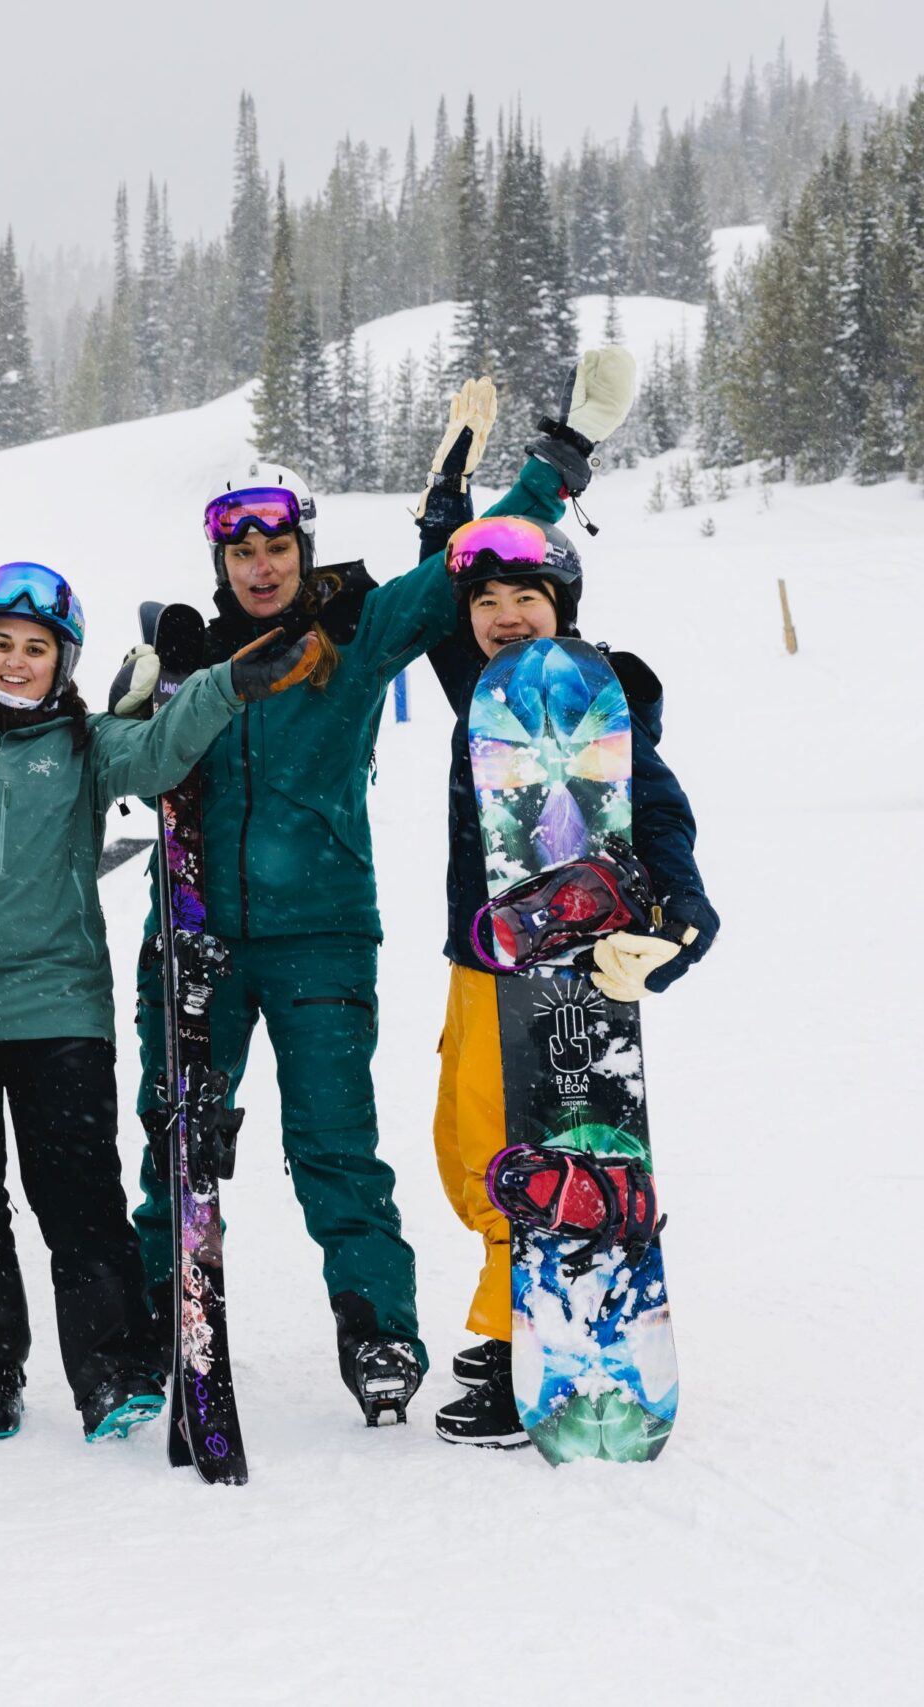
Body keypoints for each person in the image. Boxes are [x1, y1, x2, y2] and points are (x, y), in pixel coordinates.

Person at [123, 348, 641, 1424]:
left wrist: (559, 457)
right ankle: (156, 1322)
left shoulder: (348, 639)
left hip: (320, 935)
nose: (261, 567)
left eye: (277, 547)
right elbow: (119, 768)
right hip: (195, 939)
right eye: (241, 551)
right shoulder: (188, 662)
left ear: (301, 549)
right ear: (219, 560)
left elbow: (469, 566)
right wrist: (131, 709)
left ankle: (378, 1332)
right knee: (176, 1141)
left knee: (335, 1149)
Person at [0, 562, 318, 1443]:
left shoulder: (90, 743)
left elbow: (161, 751)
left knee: (80, 1201)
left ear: (64, 662)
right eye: (2, 644)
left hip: (59, 1011)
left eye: (37, 648)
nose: (17, 661)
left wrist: (223, 685)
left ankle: (113, 1372)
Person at [414, 448, 717, 1449]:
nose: (504, 615)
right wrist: (445, 513)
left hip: (558, 990)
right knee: (464, 1149)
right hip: (479, 964)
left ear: (564, 605)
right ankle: (512, 1312)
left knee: (520, 1158)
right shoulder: (486, 695)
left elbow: (660, 814)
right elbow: (441, 612)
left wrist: (680, 914)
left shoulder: (594, 703)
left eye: (526, 597)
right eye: (487, 601)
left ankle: (526, 1345)